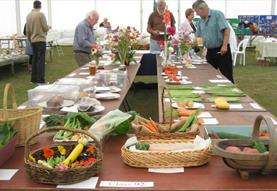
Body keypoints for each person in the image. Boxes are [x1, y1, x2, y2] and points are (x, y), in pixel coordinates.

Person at [192, 0, 234, 83]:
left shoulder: (217, 14)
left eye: (197, 12)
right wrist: (194, 49)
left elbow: (226, 30)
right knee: (208, 75)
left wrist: (225, 45)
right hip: (210, 52)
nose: (196, 14)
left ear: (202, 8)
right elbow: (199, 37)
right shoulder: (200, 21)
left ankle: (232, 94)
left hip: (222, 50)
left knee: (227, 76)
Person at [26, 0, 51, 84]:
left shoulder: (28, 15)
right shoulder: (41, 14)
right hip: (40, 40)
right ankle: (41, 80)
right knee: (40, 60)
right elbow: (45, 28)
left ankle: (33, 79)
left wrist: (30, 39)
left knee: (34, 60)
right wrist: (49, 27)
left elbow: (27, 30)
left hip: (33, 40)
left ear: (33, 6)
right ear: (40, 6)